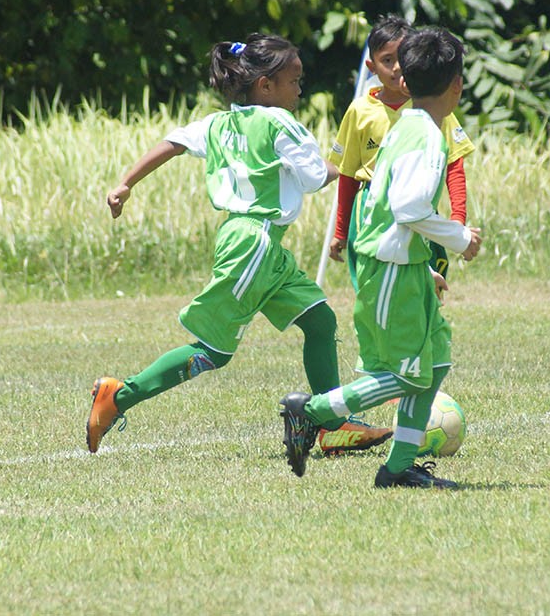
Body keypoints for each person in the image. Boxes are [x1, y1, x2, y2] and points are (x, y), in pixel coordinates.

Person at [86, 33, 392, 455]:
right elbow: (314, 177)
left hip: (256, 243)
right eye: (294, 80)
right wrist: (346, 163)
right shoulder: (280, 122)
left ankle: (331, 424)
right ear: (266, 86)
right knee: (214, 351)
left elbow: (172, 143)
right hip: (255, 245)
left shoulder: (218, 123)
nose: (300, 89)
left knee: (319, 321)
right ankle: (118, 397)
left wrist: (125, 182)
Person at [279, 27, 482, 489]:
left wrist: (423, 264)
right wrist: (457, 237)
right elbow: (408, 207)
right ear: (457, 84)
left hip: (401, 263)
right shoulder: (428, 136)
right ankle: (309, 411)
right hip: (389, 267)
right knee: (405, 376)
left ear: (407, 81)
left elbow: (384, 201)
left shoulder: (411, 124)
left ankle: (398, 469)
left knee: (433, 366)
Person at [328, 15, 474, 285]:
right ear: (372, 66)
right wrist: (341, 229)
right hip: (373, 211)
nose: (396, 68)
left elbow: (455, 166)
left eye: (402, 59)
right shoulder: (360, 111)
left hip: (421, 209)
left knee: (430, 281)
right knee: (375, 282)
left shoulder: (433, 104)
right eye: (387, 60)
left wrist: (457, 221)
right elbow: (347, 175)